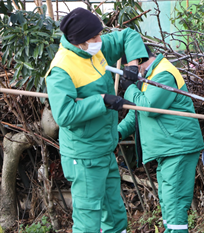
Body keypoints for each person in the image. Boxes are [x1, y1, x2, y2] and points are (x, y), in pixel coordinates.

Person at [45, 7, 148, 233]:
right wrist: (101, 101)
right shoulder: (61, 69)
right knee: (88, 221)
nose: (99, 40)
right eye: (94, 37)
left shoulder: (93, 49)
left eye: (99, 34)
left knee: (115, 213)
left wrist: (131, 63)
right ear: (79, 40)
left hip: (104, 148)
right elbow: (64, 114)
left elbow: (127, 35)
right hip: (84, 156)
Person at [118, 45, 204, 233]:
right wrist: (117, 133)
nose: (128, 71)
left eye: (128, 66)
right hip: (167, 149)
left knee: (174, 205)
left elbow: (149, 107)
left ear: (137, 60)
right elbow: (136, 114)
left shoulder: (164, 74)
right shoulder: (150, 75)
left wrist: (130, 89)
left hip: (178, 147)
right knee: (167, 203)